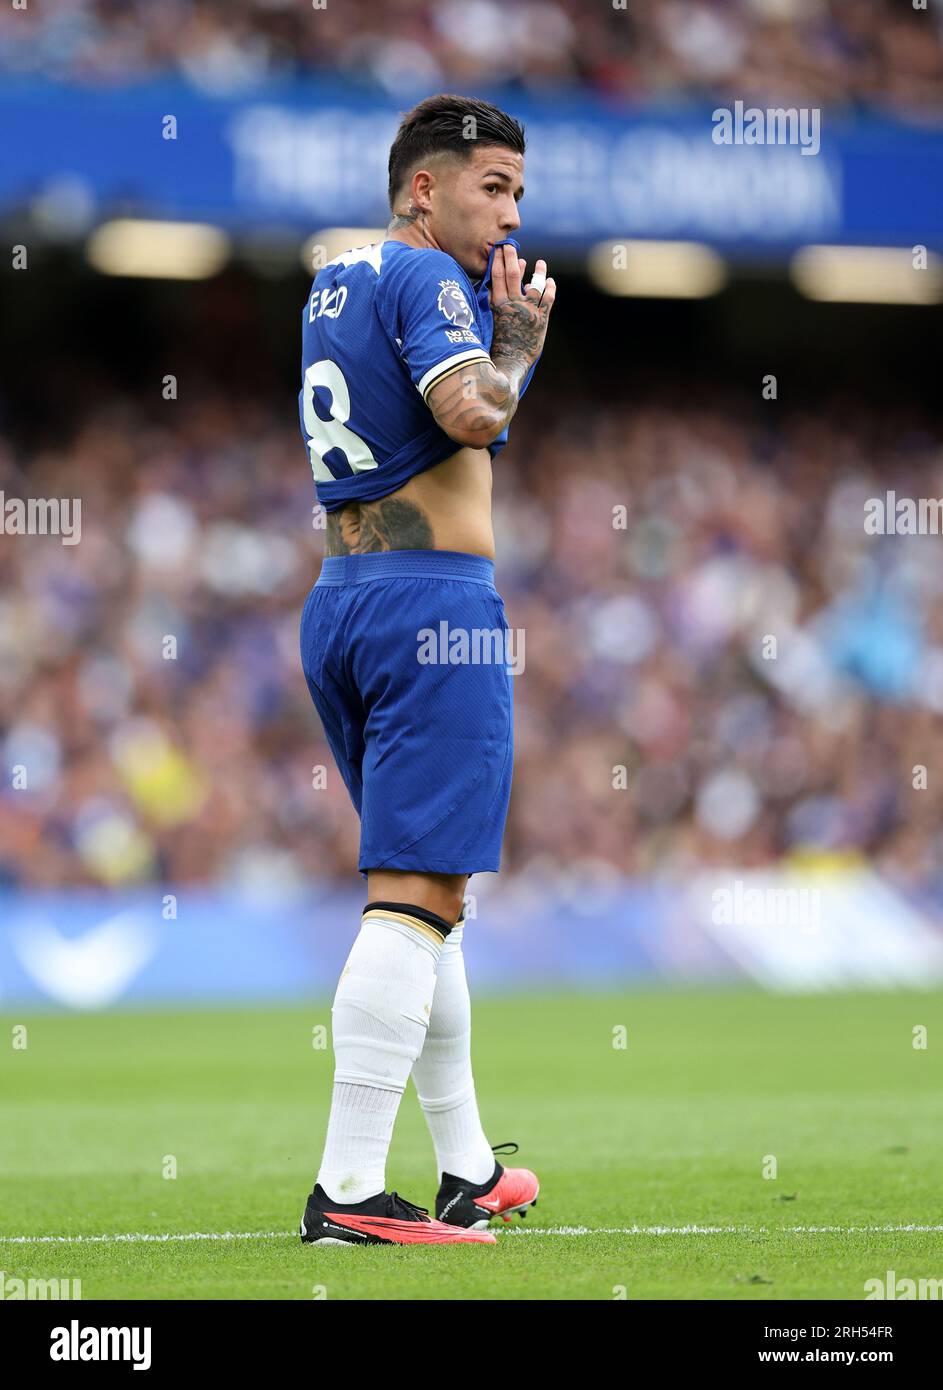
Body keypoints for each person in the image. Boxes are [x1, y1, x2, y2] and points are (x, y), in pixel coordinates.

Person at [297, 93, 555, 1246]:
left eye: (516, 193)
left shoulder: (335, 280)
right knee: (417, 900)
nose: (509, 216)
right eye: (493, 187)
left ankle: (464, 1166)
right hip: (430, 611)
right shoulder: (426, 279)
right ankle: (349, 1192)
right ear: (423, 189)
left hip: (344, 602)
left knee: (426, 894)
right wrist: (516, 349)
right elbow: (464, 411)